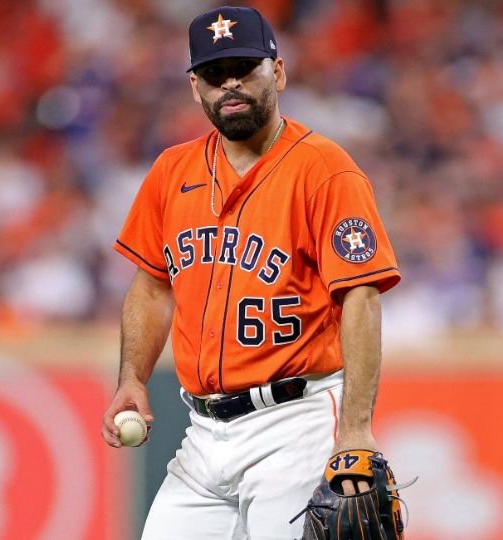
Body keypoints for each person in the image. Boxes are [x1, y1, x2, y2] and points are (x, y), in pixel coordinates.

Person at [99, 5, 402, 539]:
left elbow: (361, 298)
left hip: (297, 420)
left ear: (278, 73)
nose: (231, 83)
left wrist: (355, 431)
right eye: (215, 74)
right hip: (201, 433)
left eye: (245, 67)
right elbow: (151, 287)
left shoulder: (325, 171)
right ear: (196, 87)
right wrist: (132, 379)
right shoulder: (172, 171)